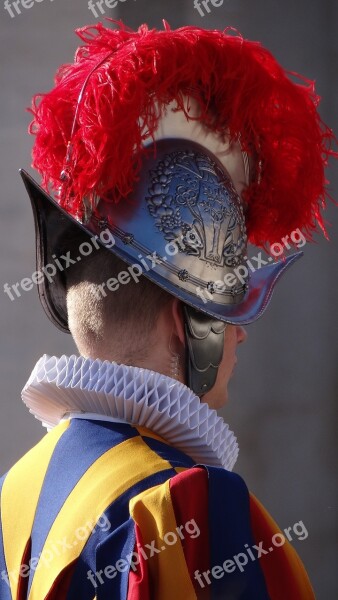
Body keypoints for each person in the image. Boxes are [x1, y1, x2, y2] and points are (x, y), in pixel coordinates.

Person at [0, 21, 335, 599]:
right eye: (230, 314)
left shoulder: (17, 486)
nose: (242, 339)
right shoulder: (192, 504)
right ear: (187, 324)